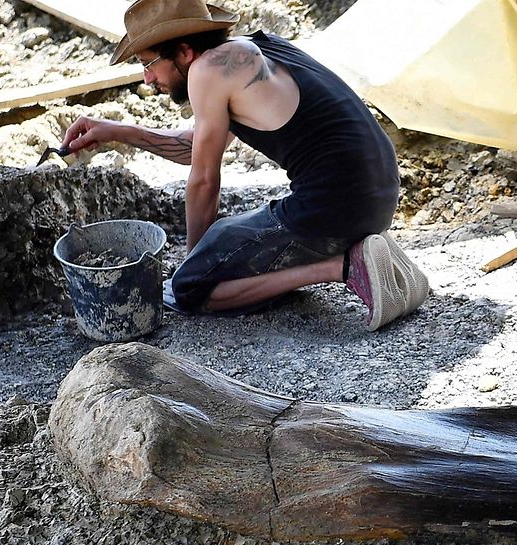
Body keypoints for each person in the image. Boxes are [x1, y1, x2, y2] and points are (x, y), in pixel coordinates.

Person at [62, 0, 428, 331]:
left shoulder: (208, 70)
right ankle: (373, 258)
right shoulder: (256, 51)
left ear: (184, 51)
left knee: (191, 289)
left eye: (148, 64)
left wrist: (194, 265)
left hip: (334, 206)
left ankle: (347, 266)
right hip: (375, 195)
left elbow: (204, 179)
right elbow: (193, 148)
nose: (147, 79)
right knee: (221, 252)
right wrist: (118, 131)